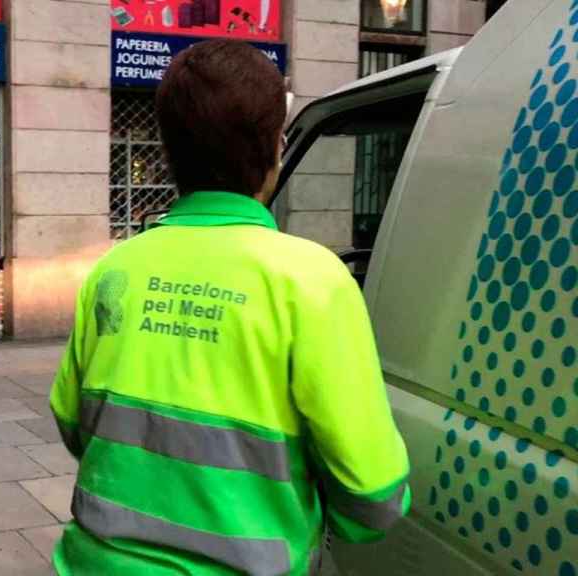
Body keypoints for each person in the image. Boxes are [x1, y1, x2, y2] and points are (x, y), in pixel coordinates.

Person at [49, 40, 411, 576]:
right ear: (276, 146)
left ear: (168, 149)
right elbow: (373, 492)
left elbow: (74, 423)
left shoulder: (113, 270)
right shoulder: (311, 280)